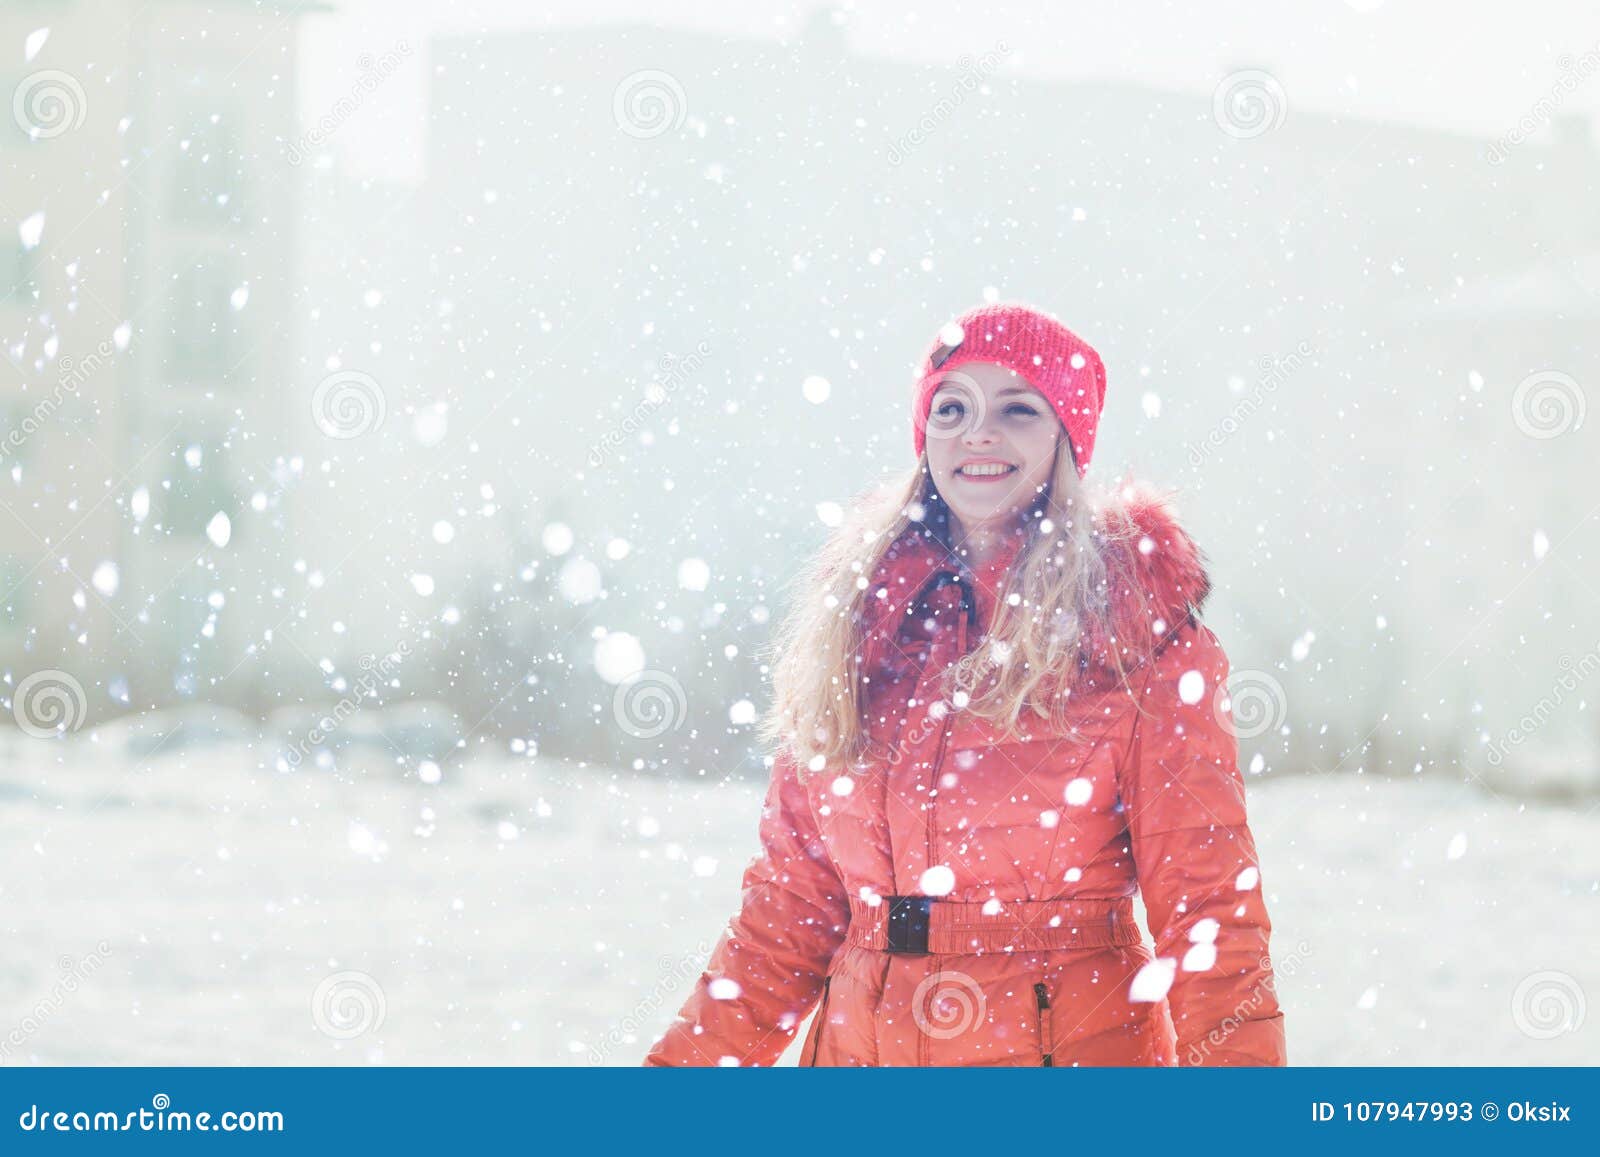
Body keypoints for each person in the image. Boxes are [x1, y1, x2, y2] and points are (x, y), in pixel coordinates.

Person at [643, 301, 1287, 1067]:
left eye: (1018, 408)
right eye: (952, 407)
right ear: (924, 437)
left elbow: (1209, 917)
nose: (979, 431)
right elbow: (785, 917)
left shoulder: (1134, 639)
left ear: (1067, 439)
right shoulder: (859, 632)